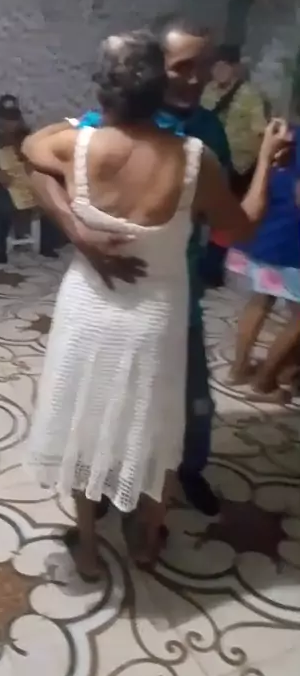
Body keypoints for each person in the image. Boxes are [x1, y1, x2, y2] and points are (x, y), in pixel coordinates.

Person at [22, 29, 288, 581]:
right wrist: (266, 160)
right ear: (159, 85)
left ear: (105, 89)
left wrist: (82, 228)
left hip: (89, 307)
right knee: (157, 426)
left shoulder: (77, 144)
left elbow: (28, 149)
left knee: (85, 421)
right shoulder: (194, 160)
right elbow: (241, 226)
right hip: (156, 315)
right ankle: (146, 543)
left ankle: (88, 548)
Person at [226, 126, 300, 401]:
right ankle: (264, 382)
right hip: (292, 243)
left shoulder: (287, 134)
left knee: (260, 300)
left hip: (265, 233)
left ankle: (239, 369)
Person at [202, 44, 267, 287]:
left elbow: (260, 131)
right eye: (216, 67)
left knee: (225, 217)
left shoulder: (250, 96)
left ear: (235, 68)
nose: (219, 72)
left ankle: (213, 268)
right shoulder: (207, 90)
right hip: (209, 159)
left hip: (238, 165)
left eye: (225, 67)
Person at [0, 95, 60, 264]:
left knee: (49, 196)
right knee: (4, 205)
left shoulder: (27, 138)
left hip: (26, 179)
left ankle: (47, 243)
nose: (10, 124)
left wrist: (33, 163)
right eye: (6, 119)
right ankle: (0, 245)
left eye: (13, 119)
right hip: (1, 184)